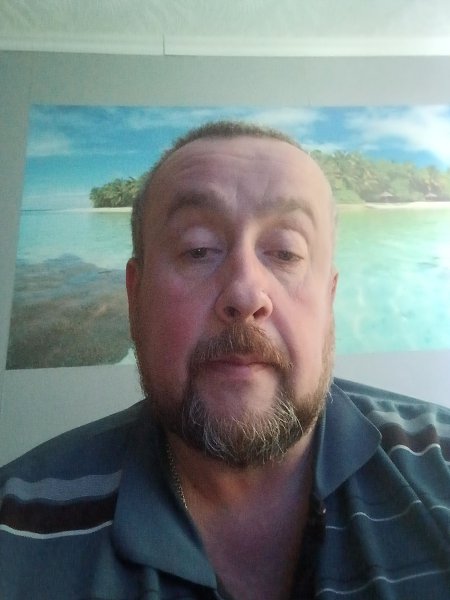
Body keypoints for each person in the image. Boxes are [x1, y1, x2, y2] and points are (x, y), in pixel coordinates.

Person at [0, 121, 449, 600]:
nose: (245, 294)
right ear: (135, 298)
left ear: (330, 299)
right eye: (198, 250)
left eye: (286, 252)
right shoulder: (17, 528)